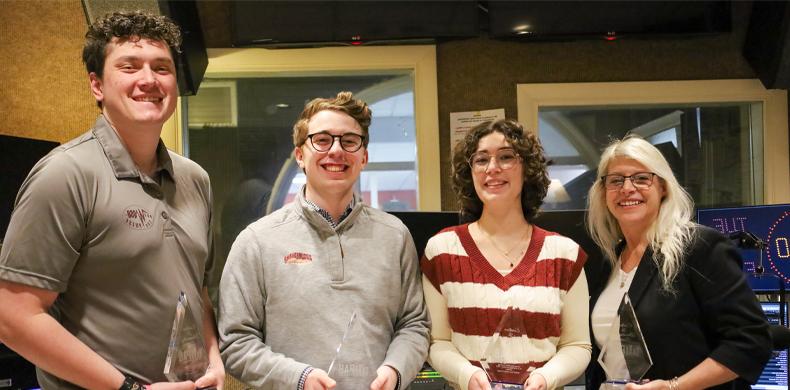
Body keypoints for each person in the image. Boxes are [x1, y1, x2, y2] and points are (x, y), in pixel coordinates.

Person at [0, 11, 224, 390]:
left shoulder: (195, 179)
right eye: (129, 66)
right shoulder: (65, 174)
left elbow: (196, 289)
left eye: (162, 67)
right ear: (97, 85)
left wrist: (214, 362)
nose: (149, 79)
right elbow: (13, 317)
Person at [218, 91, 430, 390]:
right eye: (322, 140)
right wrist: (298, 378)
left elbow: (414, 324)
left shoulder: (395, 236)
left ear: (364, 156)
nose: (336, 151)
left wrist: (396, 371)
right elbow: (235, 343)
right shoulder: (256, 241)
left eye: (349, 141)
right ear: (300, 156)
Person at [585, 135, 771, 390]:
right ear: (603, 192)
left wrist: (675, 386)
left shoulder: (700, 247)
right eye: (616, 180)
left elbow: (750, 341)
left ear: (663, 187)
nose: (627, 188)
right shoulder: (610, 261)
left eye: (641, 178)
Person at [420, 119, 591, 390]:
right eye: (481, 160)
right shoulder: (442, 250)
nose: (492, 168)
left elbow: (577, 345)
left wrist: (546, 378)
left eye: (506, 157)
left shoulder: (564, 255)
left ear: (528, 169)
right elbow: (437, 342)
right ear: (470, 172)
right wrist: (468, 376)